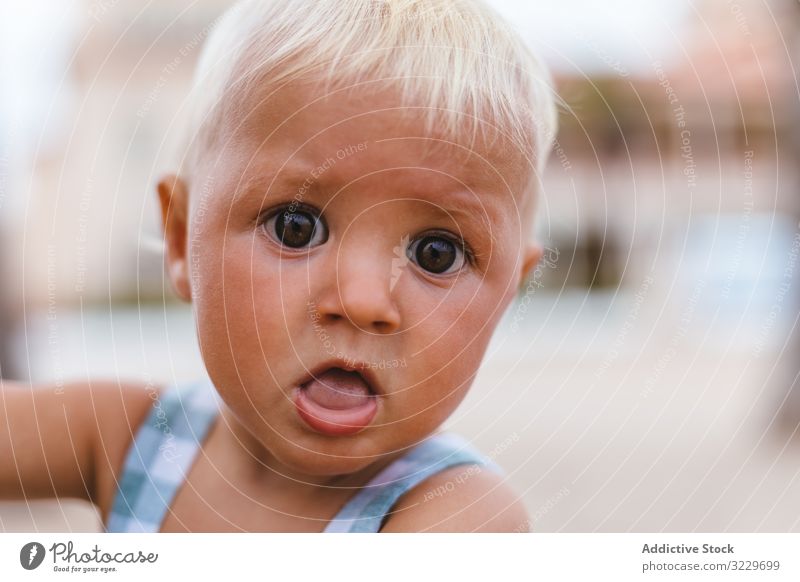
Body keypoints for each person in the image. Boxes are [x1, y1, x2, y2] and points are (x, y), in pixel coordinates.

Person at [0, 0, 556, 532]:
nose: (362, 300)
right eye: (296, 227)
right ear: (179, 240)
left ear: (509, 291)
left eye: (437, 254)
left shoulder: (457, 515)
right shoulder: (127, 436)